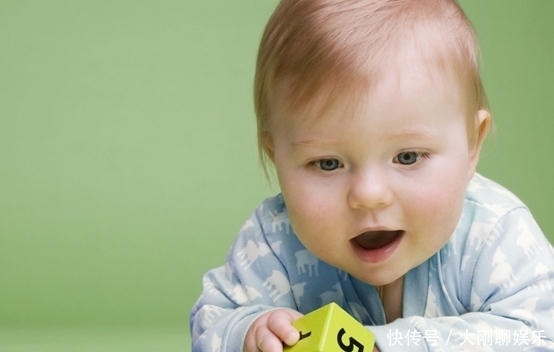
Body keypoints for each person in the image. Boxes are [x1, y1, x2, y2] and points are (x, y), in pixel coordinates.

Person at [190, 0, 554, 350]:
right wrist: (248, 333)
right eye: (327, 163)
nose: (368, 194)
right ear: (277, 159)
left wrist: (390, 345)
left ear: (472, 145)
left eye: (407, 156)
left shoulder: (493, 234)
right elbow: (211, 322)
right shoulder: (273, 241)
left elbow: (540, 335)